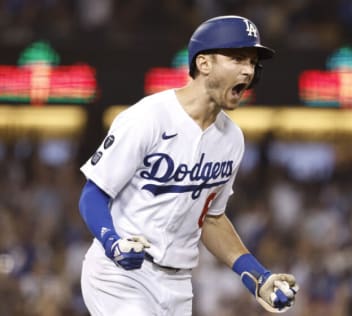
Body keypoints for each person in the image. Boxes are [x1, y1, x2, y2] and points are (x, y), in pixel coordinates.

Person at [78, 15, 298, 316]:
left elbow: (211, 219)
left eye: (252, 62)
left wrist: (257, 276)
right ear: (204, 63)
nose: (248, 69)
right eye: (237, 59)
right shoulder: (148, 117)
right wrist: (112, 241)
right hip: (119, 274)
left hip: (178, 284)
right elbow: (94, 193)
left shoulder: (232, 139)